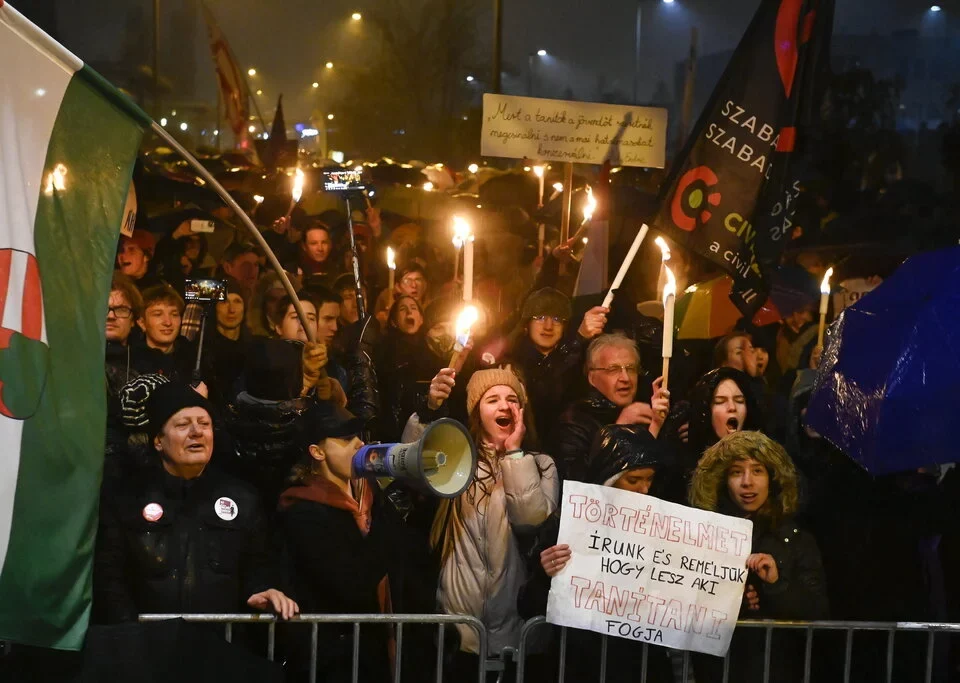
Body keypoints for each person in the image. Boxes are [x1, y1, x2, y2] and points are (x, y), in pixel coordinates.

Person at [93, 382, 298, 623]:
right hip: (146, 648)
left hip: (218, 648)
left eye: (205, 424)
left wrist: (263, 589)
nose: (197, 432)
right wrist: (132, 635)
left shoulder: (242, 498)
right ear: (158, 441)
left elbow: (258, 567)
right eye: (182, 425)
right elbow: (109, 578)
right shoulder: (126, 498)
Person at [409, 366, 559, 678]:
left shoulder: (540, 464)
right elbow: (412, 461)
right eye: (492, 399)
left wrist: (514, 454)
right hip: (461, 632)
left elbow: (531, 521)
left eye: (512, 399)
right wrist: (429, 410)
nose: (504, 405)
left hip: (518, 632)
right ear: (477, 412)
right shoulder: (457, 460)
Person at [277, 403, 433, 682]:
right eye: (346, 439)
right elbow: (351, 582)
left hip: (380, 651)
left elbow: (408, 554)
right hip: (334, 658)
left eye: (358, 435)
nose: (359, 444)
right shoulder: (302, 509)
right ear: (317, 452)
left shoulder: (371, 496)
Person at [520, 425, 675, 683]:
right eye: (634, 480)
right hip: (583, 665)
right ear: (609, 478)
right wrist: (544, 573)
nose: (644, 490)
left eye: (649, 479)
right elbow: (527, 605)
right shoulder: (568, 524)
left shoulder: (664, 529)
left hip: (643, 665)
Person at [689, 430, 828, 683]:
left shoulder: (797, 539)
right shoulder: (702, 536)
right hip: (718, 671)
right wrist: (729, 603)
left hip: (779, 669)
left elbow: (816, 609)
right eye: (735, 472)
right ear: (721, 480)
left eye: (757, 471)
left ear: (773, 478)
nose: (747, 482)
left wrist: (776, 584)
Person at [553, 333, 668, 482]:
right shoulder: (574, 421)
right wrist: (618, 430)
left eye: (631, 368)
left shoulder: (648, 411)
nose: (625, 378)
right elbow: (577, 484)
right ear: (592, 378)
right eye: (613, 370)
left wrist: (657, 425)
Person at [506, 288, 608, 441]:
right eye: (540, 317)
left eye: (557, 319)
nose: (548, 326)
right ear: (526, 324)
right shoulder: (511, 362)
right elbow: (543, 392)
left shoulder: (581, 358)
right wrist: (578, 339)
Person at [105, 273, 143, 463]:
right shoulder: (76, 363)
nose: (111, 316)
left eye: (120, 309)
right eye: (104, 308)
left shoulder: (146, 362)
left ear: (134, 319)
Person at [130, 284, 194, 381]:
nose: (168, 322)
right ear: (142, 323)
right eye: (158, 314)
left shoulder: (194, 358)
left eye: (174, 314)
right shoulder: (129, 361)